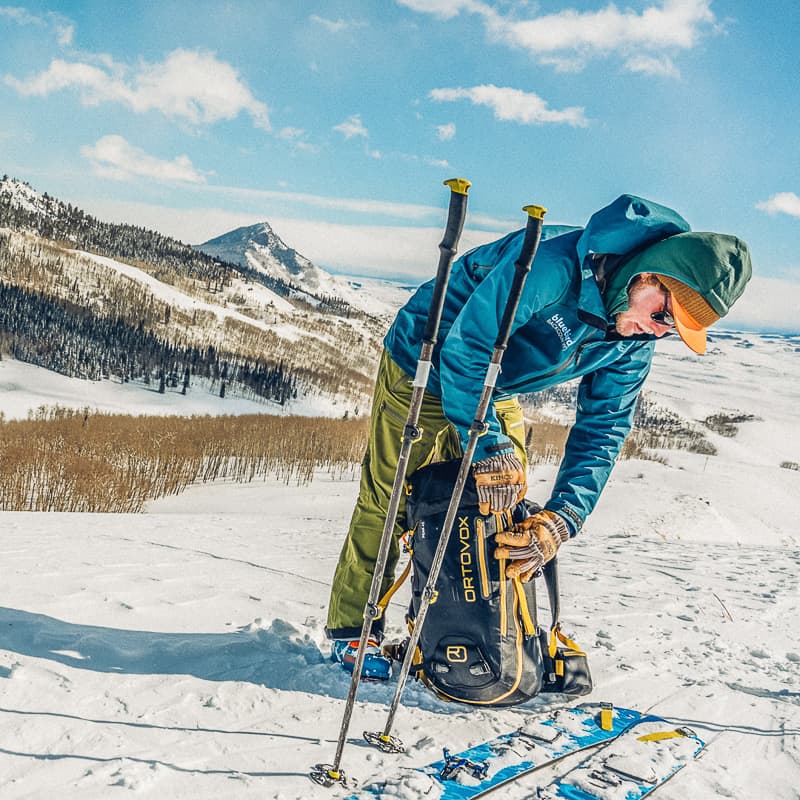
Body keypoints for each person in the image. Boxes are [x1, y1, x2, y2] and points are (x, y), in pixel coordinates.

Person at [326, 194, 752, 679]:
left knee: (502, 501)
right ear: (649, 274)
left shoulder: (631, 342)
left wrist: (564, 518)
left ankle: (474, 627)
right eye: (662, 315)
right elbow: (466, 350)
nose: (657, 333)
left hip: (494, 381)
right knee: (390, 497)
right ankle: (354, 629)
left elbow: (604, 426)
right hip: (423, 362)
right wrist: (486, 446)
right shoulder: (550, 266)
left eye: (673, 330)